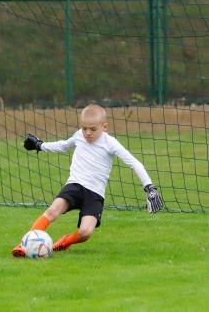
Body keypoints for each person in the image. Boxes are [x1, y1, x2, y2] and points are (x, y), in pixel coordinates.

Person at [12, 104, 163, 257]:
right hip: (75, 185)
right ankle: (24, 246)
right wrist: (40, 145)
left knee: (85, 233)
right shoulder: (79, 135)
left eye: (92, 129)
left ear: (104, 127)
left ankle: (65, 242)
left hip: (95, 193)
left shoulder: (111, 143)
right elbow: (63, 146)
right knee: (52, 210)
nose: (87, 133)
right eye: (84, 128)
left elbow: (134, 163)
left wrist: (149, 187)